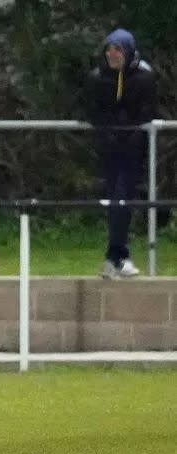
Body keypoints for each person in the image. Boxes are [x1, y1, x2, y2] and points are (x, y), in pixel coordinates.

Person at [84, 28, 156, 279]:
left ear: (127, 51)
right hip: (109, 150)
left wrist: (130, 135)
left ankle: (116, 257)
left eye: (117, 50)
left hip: (132, 152)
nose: (112, 54)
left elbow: (145, 113)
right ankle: (117, 256)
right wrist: (108, 134)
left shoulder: (144, 78)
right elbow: (93, 112)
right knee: (115, 201)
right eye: (109, 49)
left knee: (123, 200)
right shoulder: (98, 78)